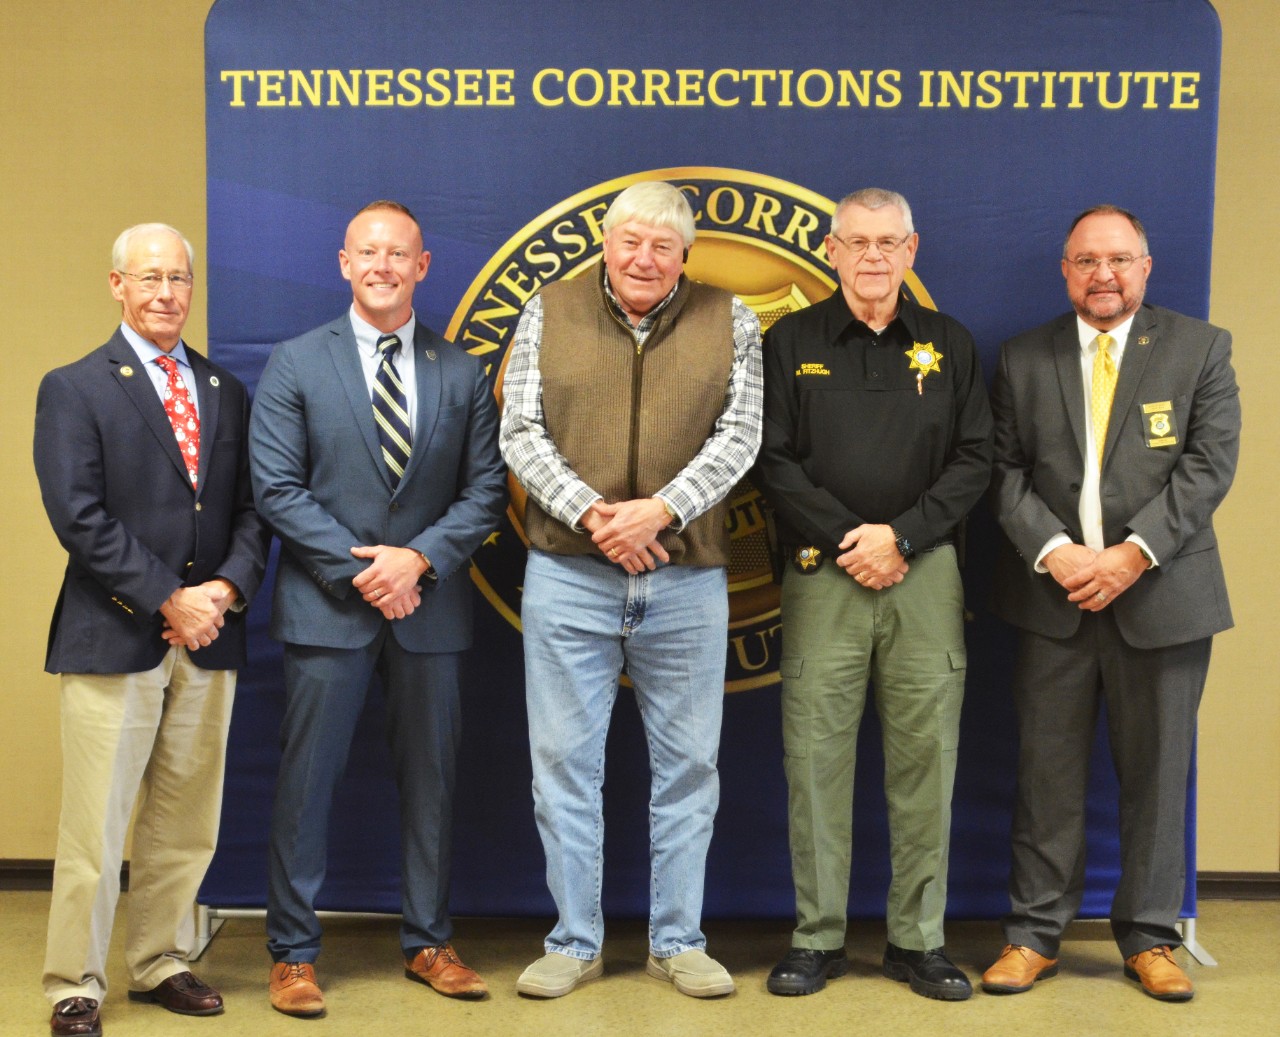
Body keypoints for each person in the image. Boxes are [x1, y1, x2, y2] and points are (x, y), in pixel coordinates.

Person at [499, 180, 762, 1000]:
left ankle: (677, 939)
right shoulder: (548, 308)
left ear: (686, 254)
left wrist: (660, 511)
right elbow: (519, 426)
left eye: (663, 244)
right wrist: (592, 514)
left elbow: (742, 432)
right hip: (567, 575)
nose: (644, 257)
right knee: (564, 768)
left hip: (686, 580)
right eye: (630, 241)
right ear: (604, 245)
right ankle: (574, 940)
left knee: (689, 768)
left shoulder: (734, 318)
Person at [248, 200, 507, 1016]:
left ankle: (428, 939)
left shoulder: (461, 372)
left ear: (423, 267)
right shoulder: (295, 363)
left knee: (431, 781)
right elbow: (277, 489)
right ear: (344, 263)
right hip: (330, 609)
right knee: (305, 785)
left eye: (400, 253)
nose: (384, 265)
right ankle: (292, 953)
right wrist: (366, 573)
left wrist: (419, 560)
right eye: (369, 252)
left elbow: (487, 490)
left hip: (429, 610)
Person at [982, 205, 1240, 1003]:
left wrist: (1131, 555)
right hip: (1053, 599)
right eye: (1087, 260)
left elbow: (1209, 464)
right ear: (1066, 270)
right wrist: (1059, 555)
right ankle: (1033, 935)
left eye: (1120, 259)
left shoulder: (1200, 347)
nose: (1104, 274)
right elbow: (1004, 470)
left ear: (1146, 266)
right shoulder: (1024, 357)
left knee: (1159, 775)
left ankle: (1152, 938)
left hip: (1162, 595)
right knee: (1046, 776)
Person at [754, 188, 992, 1001]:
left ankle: (916, 940)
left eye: (889, 241)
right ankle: (816, 937)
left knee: (927, 761)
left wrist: (905, 537)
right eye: (857, 241)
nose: (873, 257)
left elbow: (975, 457)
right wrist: (854, 537)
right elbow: (772, 458)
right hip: (825, 574)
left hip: (925, 574)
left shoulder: (950, 343)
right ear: (830, 248)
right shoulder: (790, 341)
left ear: (913, 248)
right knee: (815, 758)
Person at [34, 224, 268, 1037]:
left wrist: (226, 589)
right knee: (95, 825)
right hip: (116, 633)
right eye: (150, 277)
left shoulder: (223, 389)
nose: (167, 292)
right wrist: (170, 597)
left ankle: (161, 959)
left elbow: (246, 509)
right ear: (117, 285)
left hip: (211, 637)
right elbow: (80, 517)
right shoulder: (74, 387)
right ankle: (77, 981)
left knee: (185, 818)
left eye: (179, 278)